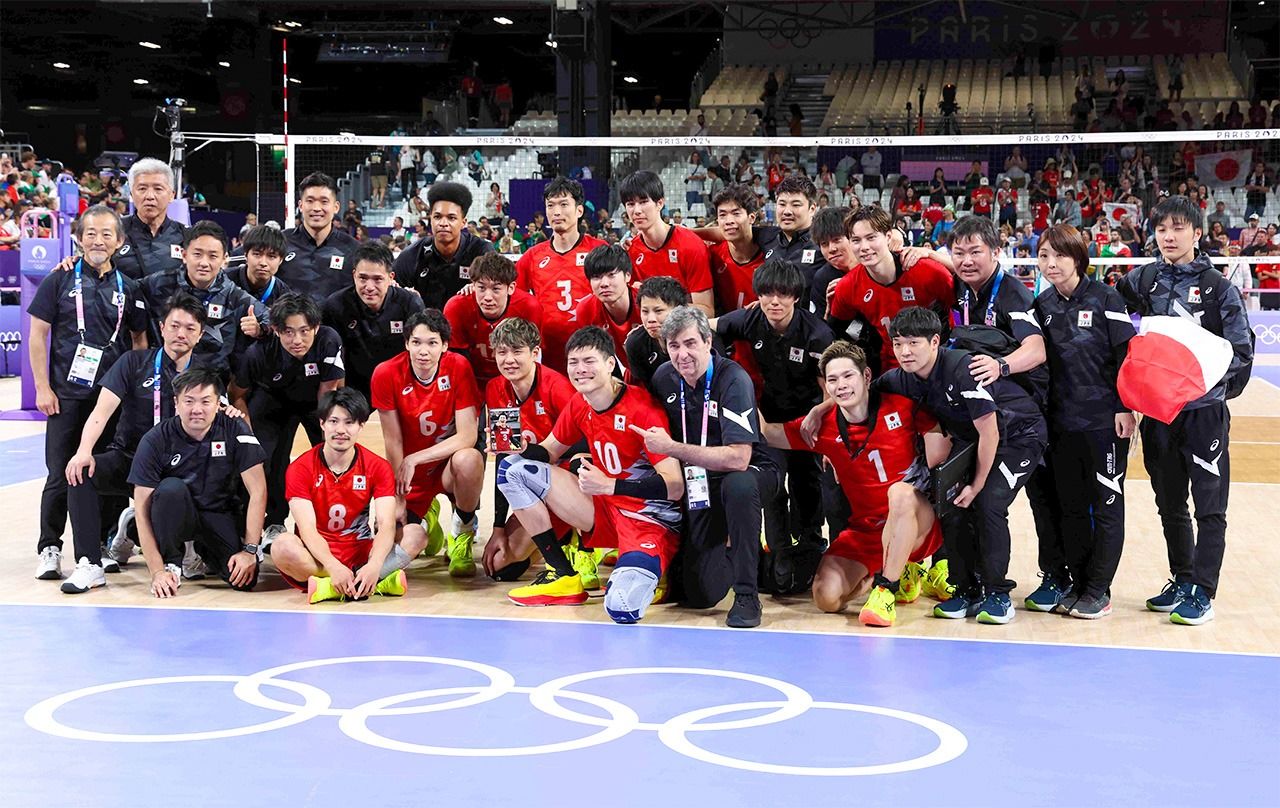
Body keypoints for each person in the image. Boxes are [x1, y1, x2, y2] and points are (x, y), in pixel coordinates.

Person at [1116, 195, 1254, 625]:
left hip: (1203, 414)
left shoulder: (1217, 287)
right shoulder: (1144, 280)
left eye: (1178, 228)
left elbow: (1242, 352)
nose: (1168, 236)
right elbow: (1110, 312)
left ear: (1197, 233)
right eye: (1161, 229)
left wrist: (1200, 390)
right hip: (1159, 415)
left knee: (1210, 506)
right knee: (1169, 501)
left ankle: (1203, 592)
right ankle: (1183, 578)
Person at [496, 326, 684, 622]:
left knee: (622, 608)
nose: (580, 370)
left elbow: (674, 487)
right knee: (513, 469)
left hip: (646, 521)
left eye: (589, 361)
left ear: (611, 364)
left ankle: (654, 568)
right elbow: (549, 452)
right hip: (603, 509)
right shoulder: (580, 404)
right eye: (573, 362)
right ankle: (562, 574)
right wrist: (517, 447)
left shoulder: (643, 408)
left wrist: (612, 485)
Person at [879, 307, 1048, 624]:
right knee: (952, 504)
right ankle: (966, 590)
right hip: (974, 442)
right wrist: (822, 410)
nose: (904, 351)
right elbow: (865, 392)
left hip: (1018, 437)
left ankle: (997, 593)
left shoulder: (962, 369)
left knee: (987, 504)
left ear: (934, 342)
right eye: (898, 343)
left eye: (913, 343)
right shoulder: (903, 377)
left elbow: (990, 431)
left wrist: (977, 483)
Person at [760, 342, 945, 625]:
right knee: (826, 598)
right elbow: (767, 433)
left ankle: (886, 589)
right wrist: (738, 384)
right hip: (866, 531)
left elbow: (942, 437)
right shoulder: (822, 427)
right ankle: (890, 570)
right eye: (833, 380)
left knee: (899, 494)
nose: (841, 385)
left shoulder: (902, 406)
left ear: (867, 377)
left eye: (849, 376)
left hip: (917, 522)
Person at [631, 306, 781, 626]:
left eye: (690, 343)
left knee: (737, 486)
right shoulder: (664, 379)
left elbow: (739, 457)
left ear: (707, 341)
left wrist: (672, 449)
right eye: (674, 346)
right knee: (699, 594)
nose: (682, 354)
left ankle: (746, 596)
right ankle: (748, 552)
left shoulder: (733, 379)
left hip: (753, 471)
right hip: (701, 479)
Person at [29, 205, 149, 581]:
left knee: (107, 471)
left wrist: (137, 390)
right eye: (91, 233)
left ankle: (99, 543)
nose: (98, 240)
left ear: (119, 241)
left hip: (111, 399)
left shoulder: (127, 288)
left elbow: (139, 340)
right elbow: (37, 335)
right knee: (59, 473)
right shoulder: (59, 280)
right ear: (78, 239)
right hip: (65, 395)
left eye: (107, 234)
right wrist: (43, 387)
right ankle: (50, 546)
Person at [62, 293, 214, 591]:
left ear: (200, 334)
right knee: (81, 474)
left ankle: (166, 551)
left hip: (178, 469)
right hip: (130, 459)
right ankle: (90, 564)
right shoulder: (133, 362)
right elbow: (101, 412)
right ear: (161, 327)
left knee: (176, 492)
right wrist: (83, 452)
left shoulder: (206, 373)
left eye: (190, 328)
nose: (181, 334)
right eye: (174, 326)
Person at [1033, 224, 1136, 618]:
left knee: (1107, 506)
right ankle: (1078, 583)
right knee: (1072, 508)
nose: (1051, 263)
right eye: (1044, 255)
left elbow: (1128, 356)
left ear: (1078, 257)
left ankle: (1099, 589)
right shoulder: (1041, 306)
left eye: (1059, 255)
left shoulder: (1106, 297)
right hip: (1062, 426)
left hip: (1105, 425)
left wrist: (1125, 407)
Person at [713, 261, 832, 594]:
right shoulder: (751, 318)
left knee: (807, 485)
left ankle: (811, 547)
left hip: (809, 420)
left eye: (782, 294)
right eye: (766, 294)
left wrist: (819, 412)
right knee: (774, 486)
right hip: (768, 422)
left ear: (795, 296)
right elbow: (707, 326)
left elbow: (831, 389)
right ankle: (779, 552)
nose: (774, 302)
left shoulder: (817, 333)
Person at [130, 368, 267, 597]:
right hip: (174, 513)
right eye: (189, 401)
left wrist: (250, 551)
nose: (197, 409)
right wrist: (157, 571)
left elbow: (258, 491)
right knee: (170, 489)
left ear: (218, 404)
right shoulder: (155, 439)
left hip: (217, 512)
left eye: (205, 401)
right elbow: (142, 507)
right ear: (176, 403)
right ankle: (172, 559)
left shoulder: (235, 428)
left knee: (245, 581)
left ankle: (201, 551)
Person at [269, 388, 414, 603]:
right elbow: (307, 530)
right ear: (322, 424)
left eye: (349, 422)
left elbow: (386, 525)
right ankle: (371, 583)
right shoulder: (300, 467)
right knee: (281, 546)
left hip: (361, 552)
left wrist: (374, 565)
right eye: (334, 421)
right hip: (317, 557)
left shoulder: (378, 466)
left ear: (361, 426)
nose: (340, 430)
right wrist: (332, 565)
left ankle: (335, 586)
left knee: (415, 535)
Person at [370, 309, 486, 577]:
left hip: (446, 468)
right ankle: (427, 519)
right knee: (397, 539)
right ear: (406, 343)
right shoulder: (386, 373)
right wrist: (398, 497)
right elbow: (393, 441)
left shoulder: (458, 366)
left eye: (432, 343)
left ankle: (462, 533)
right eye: (416, 342)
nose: (424, 351)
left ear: (445, 345)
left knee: (469, 458)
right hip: (410, 476)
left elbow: (468, 435)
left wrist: (417, 457)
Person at [229, 293, 345, 540]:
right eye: (289, 332)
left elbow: (329, 390)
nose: (297, 340)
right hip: (272, 402)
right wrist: (246, 429)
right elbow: (236, 394)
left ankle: (332, 523)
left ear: (315, 327)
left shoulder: (328, 340)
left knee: (334, 454)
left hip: (316, 400)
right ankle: (272, 523)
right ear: (275, 330)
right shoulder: (257, 353)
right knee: (267, 459)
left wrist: (329, 437)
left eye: (304, 331)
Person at [479, 318, 581, 582]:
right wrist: (498, 527)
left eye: (517, 351)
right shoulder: (495, 389)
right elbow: (503, 457)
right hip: (528, 483)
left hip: (566, 479)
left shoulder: (558, 388)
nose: (509, 359)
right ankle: (560, 540)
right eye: (502, 352)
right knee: (499, 566)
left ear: (535, 353)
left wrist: (531, 451)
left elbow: (583, 444)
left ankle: (579, 538)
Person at [826, 207, 954, 376]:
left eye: (871, 237)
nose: (864, 247)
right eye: (856, 240)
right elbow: (836, 331)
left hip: (940, 364)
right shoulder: (847, 286)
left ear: (888, 236)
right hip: (893, 371)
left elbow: (960, 308)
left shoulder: (928, 270)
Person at [139, 220, 268, 378]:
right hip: (161, 377)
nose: (204, 263)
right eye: (197, 254)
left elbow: (274, 318)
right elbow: (126, 292)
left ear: (224, 259)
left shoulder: (232, 294)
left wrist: (260, 329)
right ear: (184, 255)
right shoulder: (159, 283)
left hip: (211, 384)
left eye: (213, 256)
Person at [513, 179, 606, 372]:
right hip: (548, 356)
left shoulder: (599, 250)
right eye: (550, 206)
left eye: (564, 205)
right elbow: (512, 298)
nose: (556, 212)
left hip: (593, 352)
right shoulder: (532, 256)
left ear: (579, 211)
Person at [321, 241, 424, 400]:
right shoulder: (335, 306)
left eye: (377, 279)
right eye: (362, 278)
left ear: (391, 277)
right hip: (354, 389)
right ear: (354, 275)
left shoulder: (410, 303)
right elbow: (332, 358)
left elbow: (420, 351)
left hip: (400, 386)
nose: (369, 287)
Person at [620, 171, 714, 316]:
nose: (637, 211)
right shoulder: (630, 250)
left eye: (644, 202)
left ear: (660, 203)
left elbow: (707, 311)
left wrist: (662, 306)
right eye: (630, 204)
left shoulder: (691, 245)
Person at [443, 252, 542, 388]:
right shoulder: (456, 307)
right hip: (471, 381)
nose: (487, 297)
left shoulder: (529, 306)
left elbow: (533, 357)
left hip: (514, 381)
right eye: (481, 288)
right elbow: (455, 361)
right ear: (473, 285)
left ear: (511, 288)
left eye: (496, 289)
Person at [392, 181, 495, 311]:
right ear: (430, 219)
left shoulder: (482, 251)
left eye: (451, 218)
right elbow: (390, 290)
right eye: (437, 217)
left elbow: (498, 291)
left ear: (463, 222)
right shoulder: (412, 254)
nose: (443, 223)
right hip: (424, 327)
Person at [278, 172, 361, 302]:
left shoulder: (354, 249)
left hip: (335, 322)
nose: (316, 208)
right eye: (310, 201)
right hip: (286, 321)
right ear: (300, 206)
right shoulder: (280, 242)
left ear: (336, 207)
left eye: (324, 202)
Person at [114, 158, 187, 280]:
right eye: (142, 189)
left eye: (158, 189)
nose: (150, 196)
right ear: (132, 194)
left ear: (171, 195)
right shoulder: (114, 230)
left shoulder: (186, 235)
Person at [574, 243, 642, 367]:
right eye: (596, 277)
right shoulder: (586, 310)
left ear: (628, 276)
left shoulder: (647, 302)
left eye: (611, 275)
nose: (604, 283)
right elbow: (597, 358)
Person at [625, 276, 694, 391]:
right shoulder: (635, 344)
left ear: (679, 310)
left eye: (658, 311)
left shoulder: (700, 339)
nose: (650, 319)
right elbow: (650, 393)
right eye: (645, 311)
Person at [707, 184, 765, 314]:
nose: (728, 221)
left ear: (752, 218)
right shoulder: (713, 255)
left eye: (736, 213)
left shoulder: (769, 257)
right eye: (722, 215)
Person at [225, 224, 292, 305]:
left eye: (271, 256)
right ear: (246, 255)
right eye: (257, 254)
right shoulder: (223, 280)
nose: (263, 263)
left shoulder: (284, 295)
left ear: (280, 260)